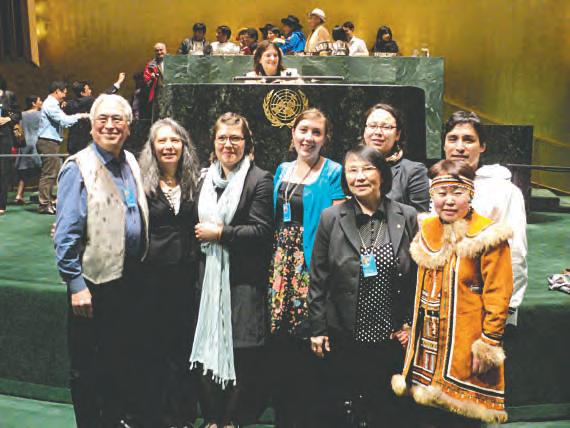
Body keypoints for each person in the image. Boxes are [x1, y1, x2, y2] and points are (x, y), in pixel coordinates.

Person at [392, 160, 513, 426]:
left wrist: (489, 342)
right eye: (441, 192)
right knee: (424, 414)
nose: (448, 200)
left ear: (471, 194)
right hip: (426, 340)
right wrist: (408, 324)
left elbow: (498, 293)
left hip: (466, 339)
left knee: (460, 417)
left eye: (457, 192)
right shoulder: (425, 229)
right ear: (431, 195)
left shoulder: (488, 235)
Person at [54, 94, 149, 427]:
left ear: (128, 127)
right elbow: (66, 233)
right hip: (92, 285)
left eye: (117, 119)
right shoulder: (77, 167)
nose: (110, 126)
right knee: (88, 366)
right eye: (103, 119)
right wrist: (75, 284)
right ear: (92, 127)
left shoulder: (130, 162)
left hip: (127, 279)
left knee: (118, 359)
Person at [308, 145, 418, 427]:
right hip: (345, 331)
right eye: (352, 170)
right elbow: (318, 278)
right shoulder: (331, 217)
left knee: (386, 408)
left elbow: (418, 278)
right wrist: (318, 329)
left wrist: (410, 324)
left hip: (390, 332)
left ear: (382, 174)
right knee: (345, 406)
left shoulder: (406, 216)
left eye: (367, 169)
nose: (359, 177)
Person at [191, 112, 273, 427]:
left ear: (247, 143)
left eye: (235, 138)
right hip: (206, 279)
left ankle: (232, 420)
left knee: (242, 351)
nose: (229, 144)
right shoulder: (202, 179)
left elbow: (262, 232)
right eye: (222, 138)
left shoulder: (259, 179)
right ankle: (212, 419)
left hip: (243, 280)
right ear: (213, 143)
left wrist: (221, 233)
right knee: (207, 345)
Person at [269, 108, 345, 427]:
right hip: (280, 266)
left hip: (311, 264)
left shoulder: (333, 172)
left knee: (309, 346)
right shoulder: (282, 169)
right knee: (282, 344)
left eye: (316, 132)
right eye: (303, 130)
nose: (308, 138)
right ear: (293, 134)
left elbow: (338, 226)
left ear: (325, 138)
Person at [137, 118, 201, 426]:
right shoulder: (140, 184)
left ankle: (183, 415)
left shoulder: (196, 183)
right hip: (151, 281)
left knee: (183, 349)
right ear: (152, 147)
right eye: (162, 140)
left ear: (184, 146)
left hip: (187, 280)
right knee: (153, 348)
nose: (169, 146)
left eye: (175, 140)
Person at [442, 111, 527, 325]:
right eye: (453, 139)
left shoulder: (504, 191)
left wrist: (506, 308)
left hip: (482, 304)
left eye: (468, 140)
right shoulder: (433, 186)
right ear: (444, 145)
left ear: (482, 146)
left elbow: (515, 252)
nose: (460, 147)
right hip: (440, 302)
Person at [362, 103, 429, 212]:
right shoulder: (351, 169)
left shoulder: (414, 171)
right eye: (372, 126)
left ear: (397, 134)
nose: (378, 132)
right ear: (365, 131)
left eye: (386, 127)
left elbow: (419, 217)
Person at [37, 81, 90, 215]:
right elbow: (64, 121)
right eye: (64, 93)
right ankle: (44, 204)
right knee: (49, 174)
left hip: (51, 141)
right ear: (57, 91)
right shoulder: (50, 104)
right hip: (48, 142)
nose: (65, 96)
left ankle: (48, 202)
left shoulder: (53, 104)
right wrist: (81, 115)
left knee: (52, 173)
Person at [65, 73, 125, 155]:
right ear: (82, 93)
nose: (90, 91)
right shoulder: (89, 100)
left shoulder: (69, 104)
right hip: (85, 142)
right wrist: (118, 82)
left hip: (72, 143)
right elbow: (104, 96)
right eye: (88, 89)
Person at [14, 95, 42, 204]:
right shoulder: (40, 114)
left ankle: (19, 195)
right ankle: (43, 195)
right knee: (42, 170)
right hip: (36, 144)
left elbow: (19, 129)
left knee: (24, 172)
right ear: (33, 103)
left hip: (24, 144)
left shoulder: (22, 114)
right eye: (39, 100)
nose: (41, 102)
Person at [0, 74, 21, 215]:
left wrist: (7, 119)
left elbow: (18, 114)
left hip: (4, 138)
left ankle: (1, 204)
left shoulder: (9, 96)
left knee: (3, 171)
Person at [143, 42, 167, 107]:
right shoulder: (150, 66)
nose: (159, 52)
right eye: (157, 51)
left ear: (165, 50)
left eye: (161, 50)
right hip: (157, 95)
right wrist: (152, 78)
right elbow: (146, 82)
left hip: (171, 94)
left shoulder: (173, 62)